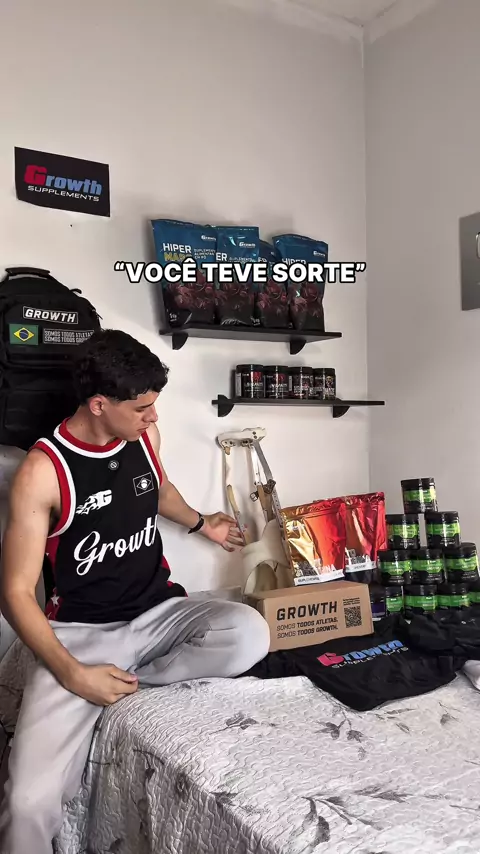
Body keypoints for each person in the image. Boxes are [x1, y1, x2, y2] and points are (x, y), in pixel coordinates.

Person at [0, 329, 270, 854]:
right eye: (143, 408)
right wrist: (73, 674)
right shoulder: (44, 471)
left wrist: (203, 524)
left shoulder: (143, 438)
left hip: (159, 612)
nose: (154, 416)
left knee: (249, 631)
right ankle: (95, 685)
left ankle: (131, 684)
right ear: (99, 404)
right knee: (28, 804)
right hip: (82, 633)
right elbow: (13, 592)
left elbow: (156, 487)